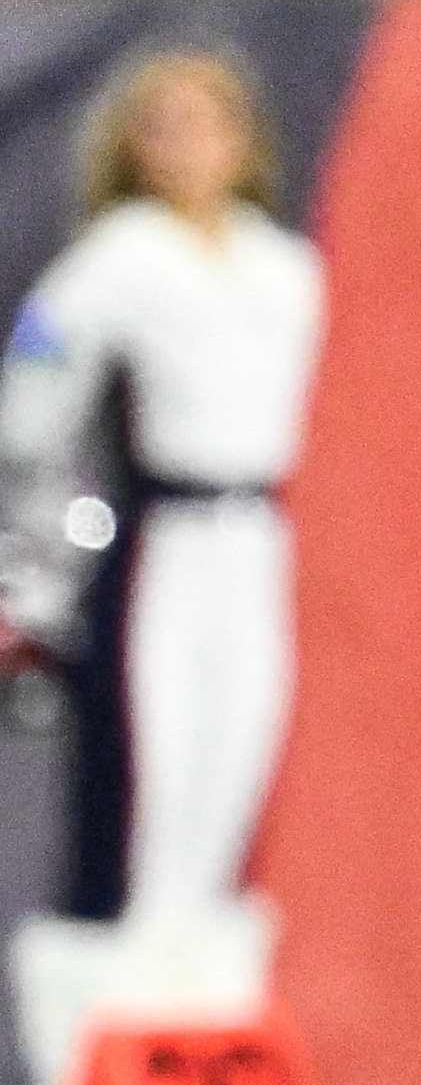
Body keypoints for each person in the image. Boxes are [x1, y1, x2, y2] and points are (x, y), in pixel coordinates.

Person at [0, 50, 325, 1009]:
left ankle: (206, 1015)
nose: (190, 146)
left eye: (208, 121)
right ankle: (125, 1021)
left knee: (237, 771)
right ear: (131, 148)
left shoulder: (284, 265)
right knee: (160, 778)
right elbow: (32, 392)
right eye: (165, 126)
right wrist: (43, 537)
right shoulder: (122, 255)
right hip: (163, 529)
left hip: (258, 533)